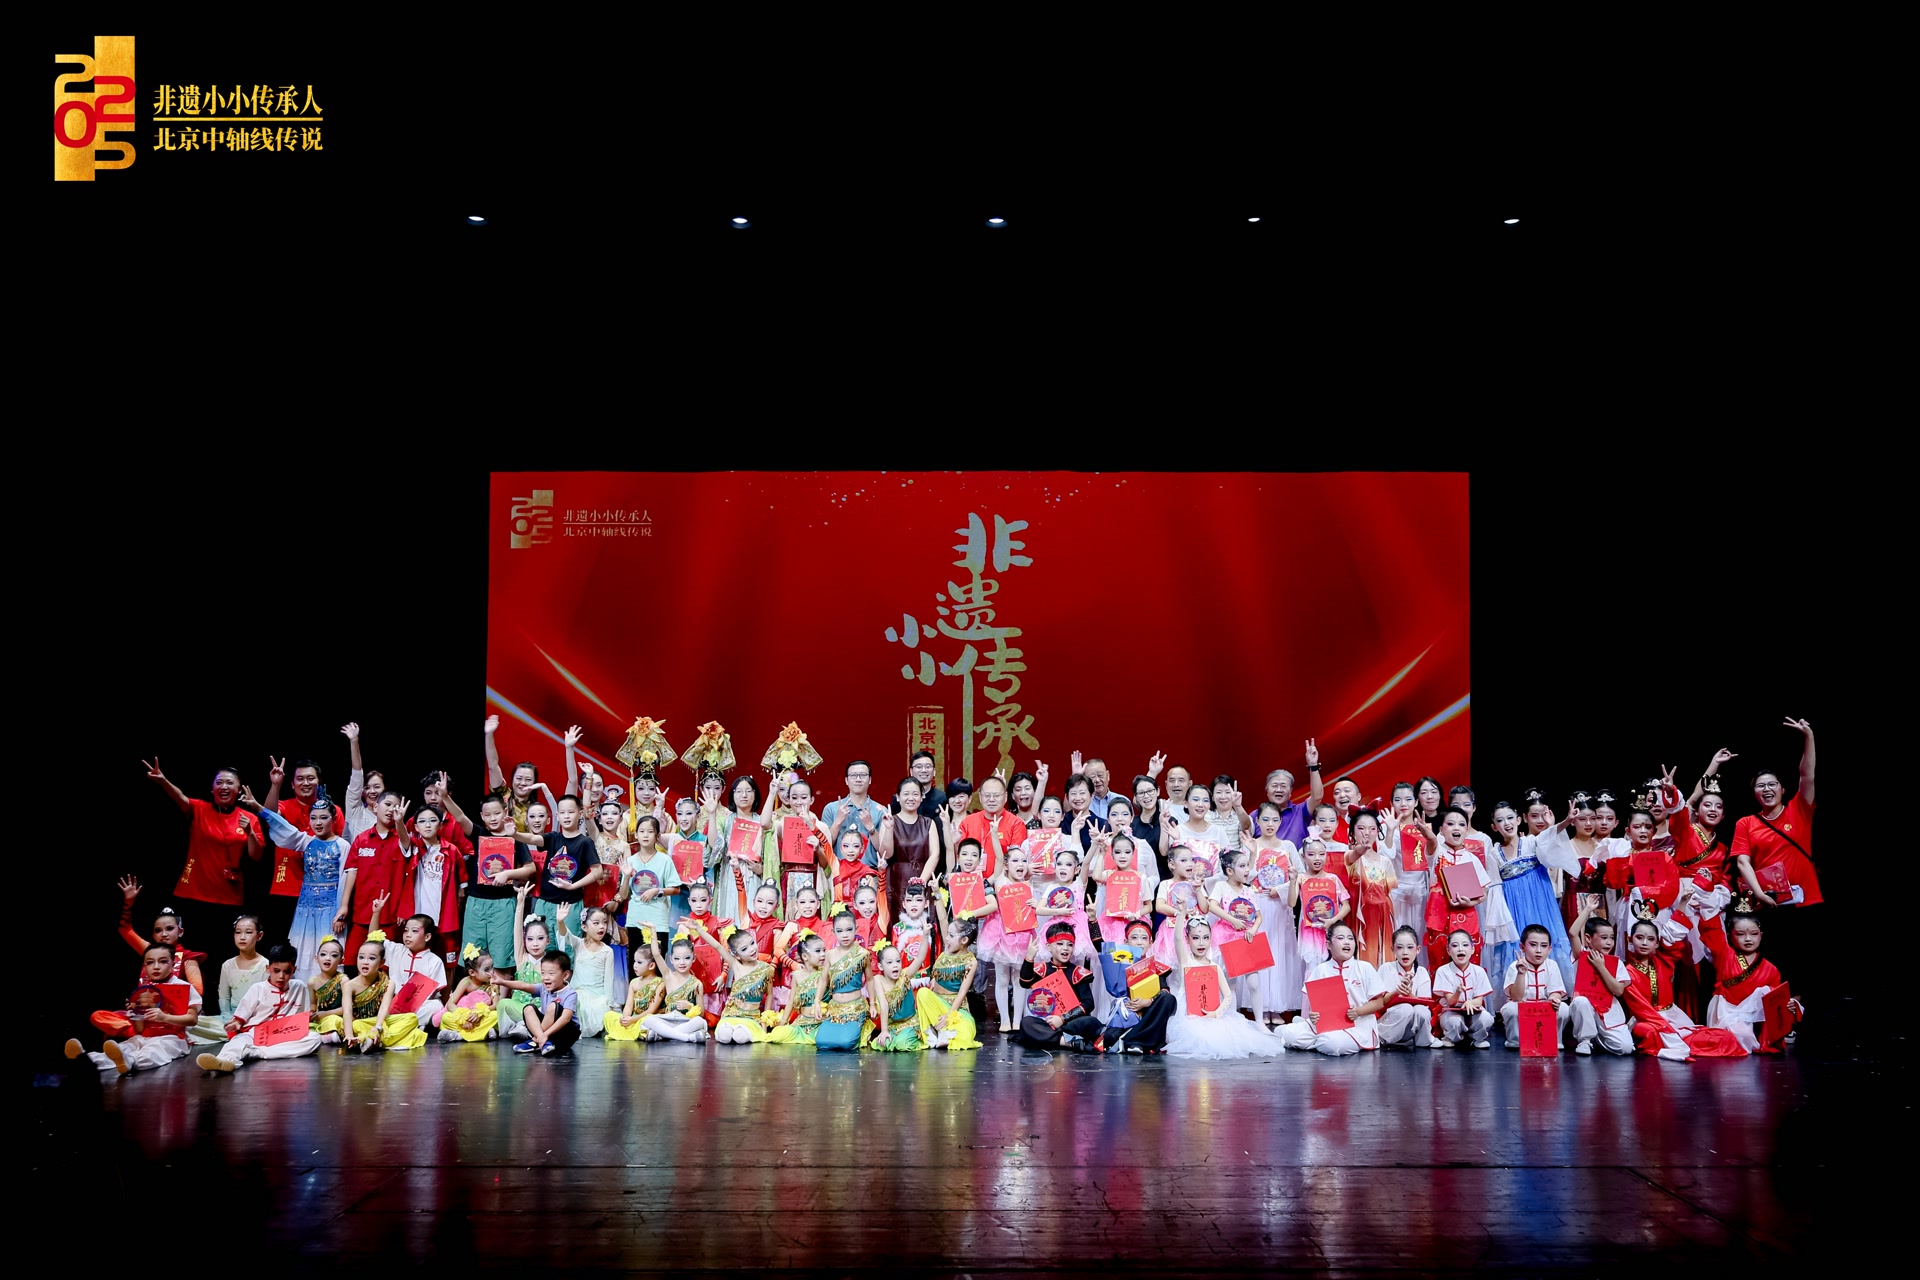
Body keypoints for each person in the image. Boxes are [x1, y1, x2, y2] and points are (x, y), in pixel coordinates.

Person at [143, 758, 264, 970]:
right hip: (193, 893)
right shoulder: (200, 809)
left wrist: (250, 832)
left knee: (221, 954)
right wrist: (163, 780)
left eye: (229, 783)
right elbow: (179, 797)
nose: (224, 786)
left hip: (229, 897)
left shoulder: (248, 818)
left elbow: (256, 856)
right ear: (212, 788)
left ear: (238, 790)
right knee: (189, 952)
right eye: (219, 782)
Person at [243, 789, 350, 982]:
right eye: (313, 818)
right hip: (305, 908)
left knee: (329, 949)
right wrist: (258, 807)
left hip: (330, 909)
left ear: (334, 819)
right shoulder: (307, 841)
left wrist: (341, 912)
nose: (318, 822)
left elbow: (345, 879)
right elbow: (283, 827)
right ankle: (302, 991)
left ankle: (328, 992)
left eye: (323, 817)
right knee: (303, 949)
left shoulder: (343, 845)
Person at [1483, 796, 1577, 991]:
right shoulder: (1494, 854)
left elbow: (1549, 836)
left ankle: (1555, 992)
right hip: (1513, 909)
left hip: (1540, 903)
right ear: (1494, 827)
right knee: (1519, 947)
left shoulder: (1531, 842)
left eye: (1510, 818)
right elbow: (1495, 890)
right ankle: (1520, 992)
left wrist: (1567, 821)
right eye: (1500, 820)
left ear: (1519, 820)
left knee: (1545, 941)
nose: (1506, 823)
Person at [68, 941, 202, 1076]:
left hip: (172, 1038)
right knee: (125, 1047)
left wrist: (165, 1017)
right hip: (145, 1036)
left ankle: (130, 1061)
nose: (156, 967)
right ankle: (88, 1059)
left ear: (173, 964)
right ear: (144, 966)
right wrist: (135, 1015)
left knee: (154, 1050)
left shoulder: (185, 987)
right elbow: (139, 1030)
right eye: (150, 962)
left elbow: (192, 1019)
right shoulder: (143, 990)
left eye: (163, 961)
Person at [1164, 914, 1283, 1058]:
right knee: (1199, 1039)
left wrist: (1216, 1013)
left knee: (1224, 1040)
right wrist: (1181, 912)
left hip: (1212, 1014)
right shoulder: (1186, 962)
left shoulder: (1215, 967)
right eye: (1195, 938)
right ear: (1187, 940)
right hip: (1188, 1017)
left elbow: (1228, 996)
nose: (1201, 943)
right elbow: (1177, 938)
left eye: (1206, 938)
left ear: (1211, 939)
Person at [195, 943, 323, 1073]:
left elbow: (302, 1016)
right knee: (238, 1042)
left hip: (284, 1034)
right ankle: (225, 1061)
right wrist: (237, 1023)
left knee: (315, 1039)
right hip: (255, 1033)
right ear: (268, 968)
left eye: (287, 972)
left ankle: (255, 1052)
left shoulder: (299, 987)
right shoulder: (258, 988)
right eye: (276, 971)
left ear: (294, 970)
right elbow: (241, 1015)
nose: (281, 976)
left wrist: (308, 1019)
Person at [1698, 902, 1803, 1053]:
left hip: (1756, 1017)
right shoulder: (1725, 955)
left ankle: (1764, 1038)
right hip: (1727, 1010)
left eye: (1754, 934)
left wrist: (1791, 1004)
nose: (1748, 939)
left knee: (1767, 991)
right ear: (1729, 936)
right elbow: (1711, 931)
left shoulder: (1770, 969)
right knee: (1741, 1036)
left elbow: (1776, 1001)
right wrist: (1708, 899)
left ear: (1761, 935)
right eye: (1740, 934)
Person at [510, 794, 602, 956]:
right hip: (544, 903)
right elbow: (532, 838)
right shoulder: (553, 838)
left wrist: (573, 886)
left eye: (571, 812)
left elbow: (598, 871)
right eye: (562, 813)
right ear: (557, 816)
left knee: (569, 950)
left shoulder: (585, 842)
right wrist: (515, 834)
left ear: (580, 814)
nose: (566, 816)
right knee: (542, 949)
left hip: (570, 905)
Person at [1280, 923, 1389, 1056]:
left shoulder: (1364, 967)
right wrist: (1313, 1015)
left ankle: (1313, 1038)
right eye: (1341, 938)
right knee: (1291, 1036)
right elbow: (1314, 1004)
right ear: (1328, 944)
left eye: (1350, 938)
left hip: (1358, 1024)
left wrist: (1358, 1012)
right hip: (1325, 1024)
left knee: (1332, 1044)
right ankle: (1307, 1034)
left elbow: (1379, 1002)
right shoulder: (1321, 969)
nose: (1347, 942)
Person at [1246, 803, 1301, 1025]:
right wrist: (1252, 854)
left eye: (1275, 820)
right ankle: (1260, 1006)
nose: (1270, 824)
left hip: (1280, 906)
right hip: (1257, 905)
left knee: (1279, 953)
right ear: (1258, 821)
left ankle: (1276, 1006)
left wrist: (1280, 889)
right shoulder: (1252, 844)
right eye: (1265, 819)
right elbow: (1244, 876)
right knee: (1259, 953)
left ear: (1281, 822)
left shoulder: (1288, 846)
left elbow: (1300, 876)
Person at [340, 791, 412, 959]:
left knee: (386, 964)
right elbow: (352, 872)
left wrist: (400, 822)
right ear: (375, 807)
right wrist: (344, 905)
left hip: (390, 916)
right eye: (388, 804)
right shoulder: (361, 840)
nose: (391, 809)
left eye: (396, 807)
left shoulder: (402, 838)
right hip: (361, 913)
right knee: (351, 961)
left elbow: (406, 845)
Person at [364, 896, 449, 1037]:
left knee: (436, 1006)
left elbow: (433, 993)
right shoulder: (395, 950)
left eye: (414, 931)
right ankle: (409, 1026)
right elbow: (373, 939)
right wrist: (376, 913)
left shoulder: (434, 961)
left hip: (420, 1006)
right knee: (381, 1004)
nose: (408, 935)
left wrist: (412, 1004)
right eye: (406, 930)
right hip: (394, 1004)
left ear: (427, 937)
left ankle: (400, 1025)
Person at [978, 847, 1039, 1032]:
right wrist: (994, 835)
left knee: (1019, 979)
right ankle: (1005, 1020)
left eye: (1023, 861)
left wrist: (1035, 905)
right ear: (1006, 865)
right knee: (1002, 978)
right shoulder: (1000, 881)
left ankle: (1017, 1020)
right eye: (1015, 861)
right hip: (1001, 934)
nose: (1020, 864)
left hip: (1023, 934)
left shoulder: (1028, 885)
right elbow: (998, 854)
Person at [689, 919, 775, 1044]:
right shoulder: (736, 965)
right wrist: (698, 928)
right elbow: (717, 946)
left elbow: (770, 995)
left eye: (752, 943)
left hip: (751, 1018)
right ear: (737, 955)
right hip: (731, 1015)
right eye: (744, 949)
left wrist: (764, 1022)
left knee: (740, 1037)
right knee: (725, 1036)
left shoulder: (766, 969)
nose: (752, 949)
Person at [915, 890, 982, 1050]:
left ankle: (943, 1031)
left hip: (956, 1009)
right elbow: (943, 919)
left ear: (964, 940)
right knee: (923, 993)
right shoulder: (947, 948)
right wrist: (937, 894)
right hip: (936, 1005)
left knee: (964, 1035)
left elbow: (962, 993)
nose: (946, 938)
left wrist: (949, 1015)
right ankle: (938, 1033)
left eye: (951, 936)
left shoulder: (970, 961)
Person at [1018, 923, 1102, 1049]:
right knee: (1027, 1022)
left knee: (1090, 1022)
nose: (1065, 948)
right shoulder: (1042, 969)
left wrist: (1062, 1019)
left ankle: (1050, 1039)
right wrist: (1029, 957)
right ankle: (1067, 1042)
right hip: (1048, 1023)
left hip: (1071, 1023)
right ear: (1048, 947)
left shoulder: (1077, 972)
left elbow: (1088, 1004)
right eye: (1060, 944)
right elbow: (1024, 982)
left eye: (1070, 945)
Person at [877, 776, 943, 924]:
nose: (910, 798)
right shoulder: (889, 820)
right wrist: (889, 829)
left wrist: (920, 883)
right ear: (898, 797)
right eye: (906, 794)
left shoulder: (929, 823)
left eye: (915, 794)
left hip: (922, 878)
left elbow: (935, 855)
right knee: (895, 924)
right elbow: (886, 854)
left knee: (923, 926)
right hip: (896, 881)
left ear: (921, 797)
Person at [1566, 910, 1632, 1056]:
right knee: (1581, 1001)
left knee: (1625, 1048)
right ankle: (1585, 1040)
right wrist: (1588, 909)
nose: (1609, 942)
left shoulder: (1617, 963)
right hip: (1586, 1005)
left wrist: (1601, 966)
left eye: (1612, 938)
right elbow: (1572, 933)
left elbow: (1618, 991)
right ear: (1588, 938)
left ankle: (1598, 1038)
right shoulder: (1582, 955)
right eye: (1604, 937)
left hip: (1607, 1009)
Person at [1498, 924, 1570, 1051]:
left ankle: (1554, 1040)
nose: (1538, 950)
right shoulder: (1514, 966)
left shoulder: (1552, 965)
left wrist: (1554, 1000)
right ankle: (1515, 1041)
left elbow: (1556, 992)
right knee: (1510, 1009)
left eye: (1544, 946)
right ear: (1522, 947)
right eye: (1533, 945)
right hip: (1524, 1009)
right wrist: (1521, 973)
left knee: (1563, 1008)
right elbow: (1516, 997)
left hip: (1544, 1010)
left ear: (1550, 949)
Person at [1343, 810, 1399, 970]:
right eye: (1361, 828)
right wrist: (1359, 850)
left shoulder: (1385, 862)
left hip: (1381, 917)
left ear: (1378, 831)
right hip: (1359, 916)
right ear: (1352, 831)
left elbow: (1389, 894)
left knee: (1382, 957)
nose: (1366, 833)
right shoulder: (1350, 857)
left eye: (1372, 828)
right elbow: (1353, 856)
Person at [814, 907, 875, 1051]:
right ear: (833, 932)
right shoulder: (830, 954)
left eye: (849, 930)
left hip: (855, 1008)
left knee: (846, 1043)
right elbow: (824, 980)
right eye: (840, 931)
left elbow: (870, 980)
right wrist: (817, 1002)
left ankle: (860, 1027)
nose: (845, 935)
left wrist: (872, 1004)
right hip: (835, 1009)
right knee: (821, 1042)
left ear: (856, 929)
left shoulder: (862, 954)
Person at [504, 950, 582, 1056]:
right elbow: (524, 986)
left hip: (566, 1033)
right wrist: (502, 982)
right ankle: (544, 1042)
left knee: (553, 1006)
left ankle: (536, 1041)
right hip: (548, 1031)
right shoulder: (543, 988)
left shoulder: (570, 993)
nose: (545, 977)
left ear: (565, 975)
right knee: (528, 1009)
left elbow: (565, 1018)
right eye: (542, 973)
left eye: (551, 973)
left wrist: (544, 1035)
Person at [638, 931, 710, 1043]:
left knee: (699, 1022)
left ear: (693, 958)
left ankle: (663, 1035)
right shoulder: (668, 976)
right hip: (668, 1019)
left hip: (686, 1021)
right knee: (648, 1020)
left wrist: (690, 1006)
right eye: (677, 959)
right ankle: (687, 1037)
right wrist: (653, 930)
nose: (682, 962)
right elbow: (656, 954)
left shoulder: (697, 984)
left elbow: (701, 1013)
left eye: (687, 958)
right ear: (671, 959)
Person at [1431, 929, 1494, 1049]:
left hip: (1473, 1011)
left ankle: (1476, 1038)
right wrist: (1458, 992)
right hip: (1451, 1012)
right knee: (1454, 1022)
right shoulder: (1443, 971)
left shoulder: (1479, 971)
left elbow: (1479, 1001)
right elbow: (1451, 1002)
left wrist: (1470, 1002)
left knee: (1487, 1019)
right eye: (1455, 946)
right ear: (1448, 950)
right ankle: (1452, 1038)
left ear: (1472, 949)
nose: (1460, 949)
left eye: (1465, 945)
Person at [1375, 927, 1436, 1049]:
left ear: (1418, 949)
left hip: (1410, 1028)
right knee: (1405, 1009)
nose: (1405, 952)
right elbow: (1380, 1003)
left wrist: (1409, 995)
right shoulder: (1386, 969)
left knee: (1421, 1011)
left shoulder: (1422, 972)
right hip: (1391, 1022)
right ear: (1392, 949)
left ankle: (1424, 1042)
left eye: (1410, 947)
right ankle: (1382, 1039)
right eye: (1399, 947)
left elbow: (1425, 1004)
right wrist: (1397, 992)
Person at [957, 775, 1028, 876]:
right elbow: (959, 858)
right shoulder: (967, 822)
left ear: (1005, 796)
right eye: (987, 795)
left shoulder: (1016, 824)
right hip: (970, 881)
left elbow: (1016, 862)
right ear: (980, 797)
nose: (991, 799)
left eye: (996, 795)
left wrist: (990, 882)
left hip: (1003, 881)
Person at [864, 940, 929, 1051]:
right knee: (881, 1044)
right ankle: (895, 1037)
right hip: (893, 1026)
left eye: (898, 961)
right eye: (889, 962)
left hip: (911, 1023)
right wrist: (884, 1031)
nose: (895, 965)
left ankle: (921, 1036)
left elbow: (920, 958)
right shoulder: (878, 980)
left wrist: (925, 935)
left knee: (901, 1044)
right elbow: (884, 1005)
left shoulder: (905, 975)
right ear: (880, 966)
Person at [604, 939, 668, 1042]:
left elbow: (651, 1010)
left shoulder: (660, 983)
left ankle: (640, 1032)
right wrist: (625, 1017)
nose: (635, 965)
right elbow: (629, 1005)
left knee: (648, 1020)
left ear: (651, 965)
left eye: (639, 962)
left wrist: (633, 1020)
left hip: (645, 1017)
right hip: (633, 1018)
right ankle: (636, 1032)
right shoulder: (634, 982)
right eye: (634, 961)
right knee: (609, 1015)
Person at [568, 906, 618, 1037]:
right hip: (577, 995)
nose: (602, 926)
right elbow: (566, 936)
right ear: (584, 927)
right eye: (596, 923)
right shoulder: (578, 944)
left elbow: (609, 980)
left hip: (597, 998)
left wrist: (610, 1005)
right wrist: (560, 921)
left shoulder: (607, 951)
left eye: (604, 922)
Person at [438, 945, 504, 1042]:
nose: (492, 972)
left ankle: (460, 1035)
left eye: (492, 967)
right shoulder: (466, 982)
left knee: (495, 1016)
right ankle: (483, 1033)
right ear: (472, 972)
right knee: (446, 1017)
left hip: (481, 1017)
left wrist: (479, 1013)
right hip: (466, 1018)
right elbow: (450, 1004)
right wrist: (464, 1017)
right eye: (487, 970)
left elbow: (495, 1005)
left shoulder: (493, 983)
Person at [216, 914, 268, 1021]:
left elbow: (266, 1000)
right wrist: (228, 1020)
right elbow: (224, 997)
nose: (242, 937)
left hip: (256, 1018)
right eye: (238, 932)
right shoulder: (227, 965)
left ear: (259, 935)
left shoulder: (265, 965)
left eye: (248, 932)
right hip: (231, 1018)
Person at [890, 750, 946, 816]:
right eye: (919, 767)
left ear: (934, 771)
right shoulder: (900, 799)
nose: (924, 770)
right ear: (911, 771)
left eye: (928, 767)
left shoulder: (943, 798)